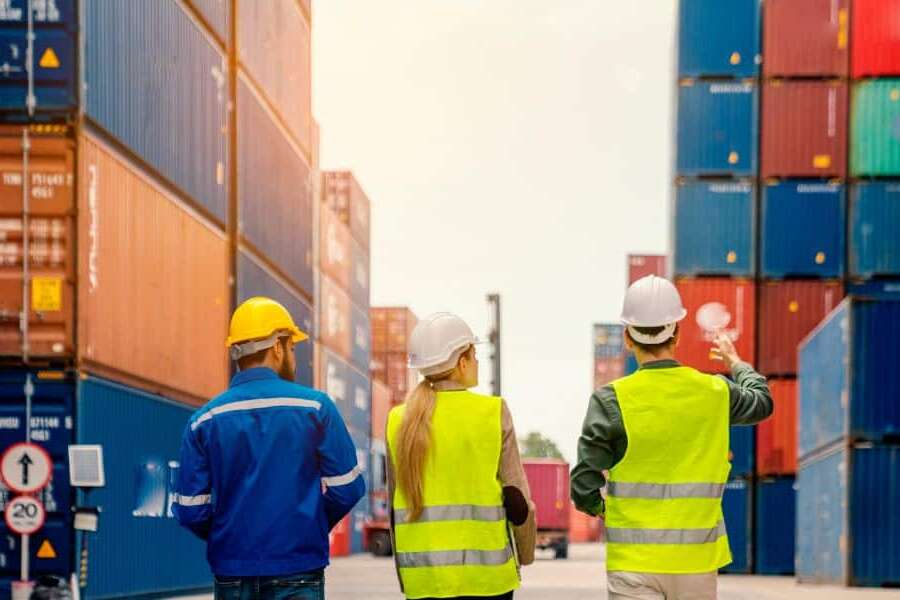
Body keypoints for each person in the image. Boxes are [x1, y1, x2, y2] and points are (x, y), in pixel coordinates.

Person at [571, 276, 773, 600]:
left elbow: (582, 484)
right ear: (676, 333)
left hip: (633, 563)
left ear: (627, 337)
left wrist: (604, 509)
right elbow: (762, 402)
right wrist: (735, 363)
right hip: (696, 563)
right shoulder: (714, 392)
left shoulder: (611, 400)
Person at [173, 296, 366, 600]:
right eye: (291, 348)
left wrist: (233, 535)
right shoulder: (316, 408)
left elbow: (190, 511)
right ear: (277, 346)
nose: (293, 356)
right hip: (298, 569)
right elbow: (349, 489)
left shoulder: (204, 421)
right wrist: (307, 525)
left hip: (233, 573)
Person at [386, 312, 537, 600]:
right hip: (487, 578)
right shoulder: (492, 412)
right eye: (475, 353)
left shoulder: (398, 419)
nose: (477, 362)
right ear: (461, 361)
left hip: (425, 579)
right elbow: (517, 498)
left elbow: (396, 507)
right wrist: (525, 554)